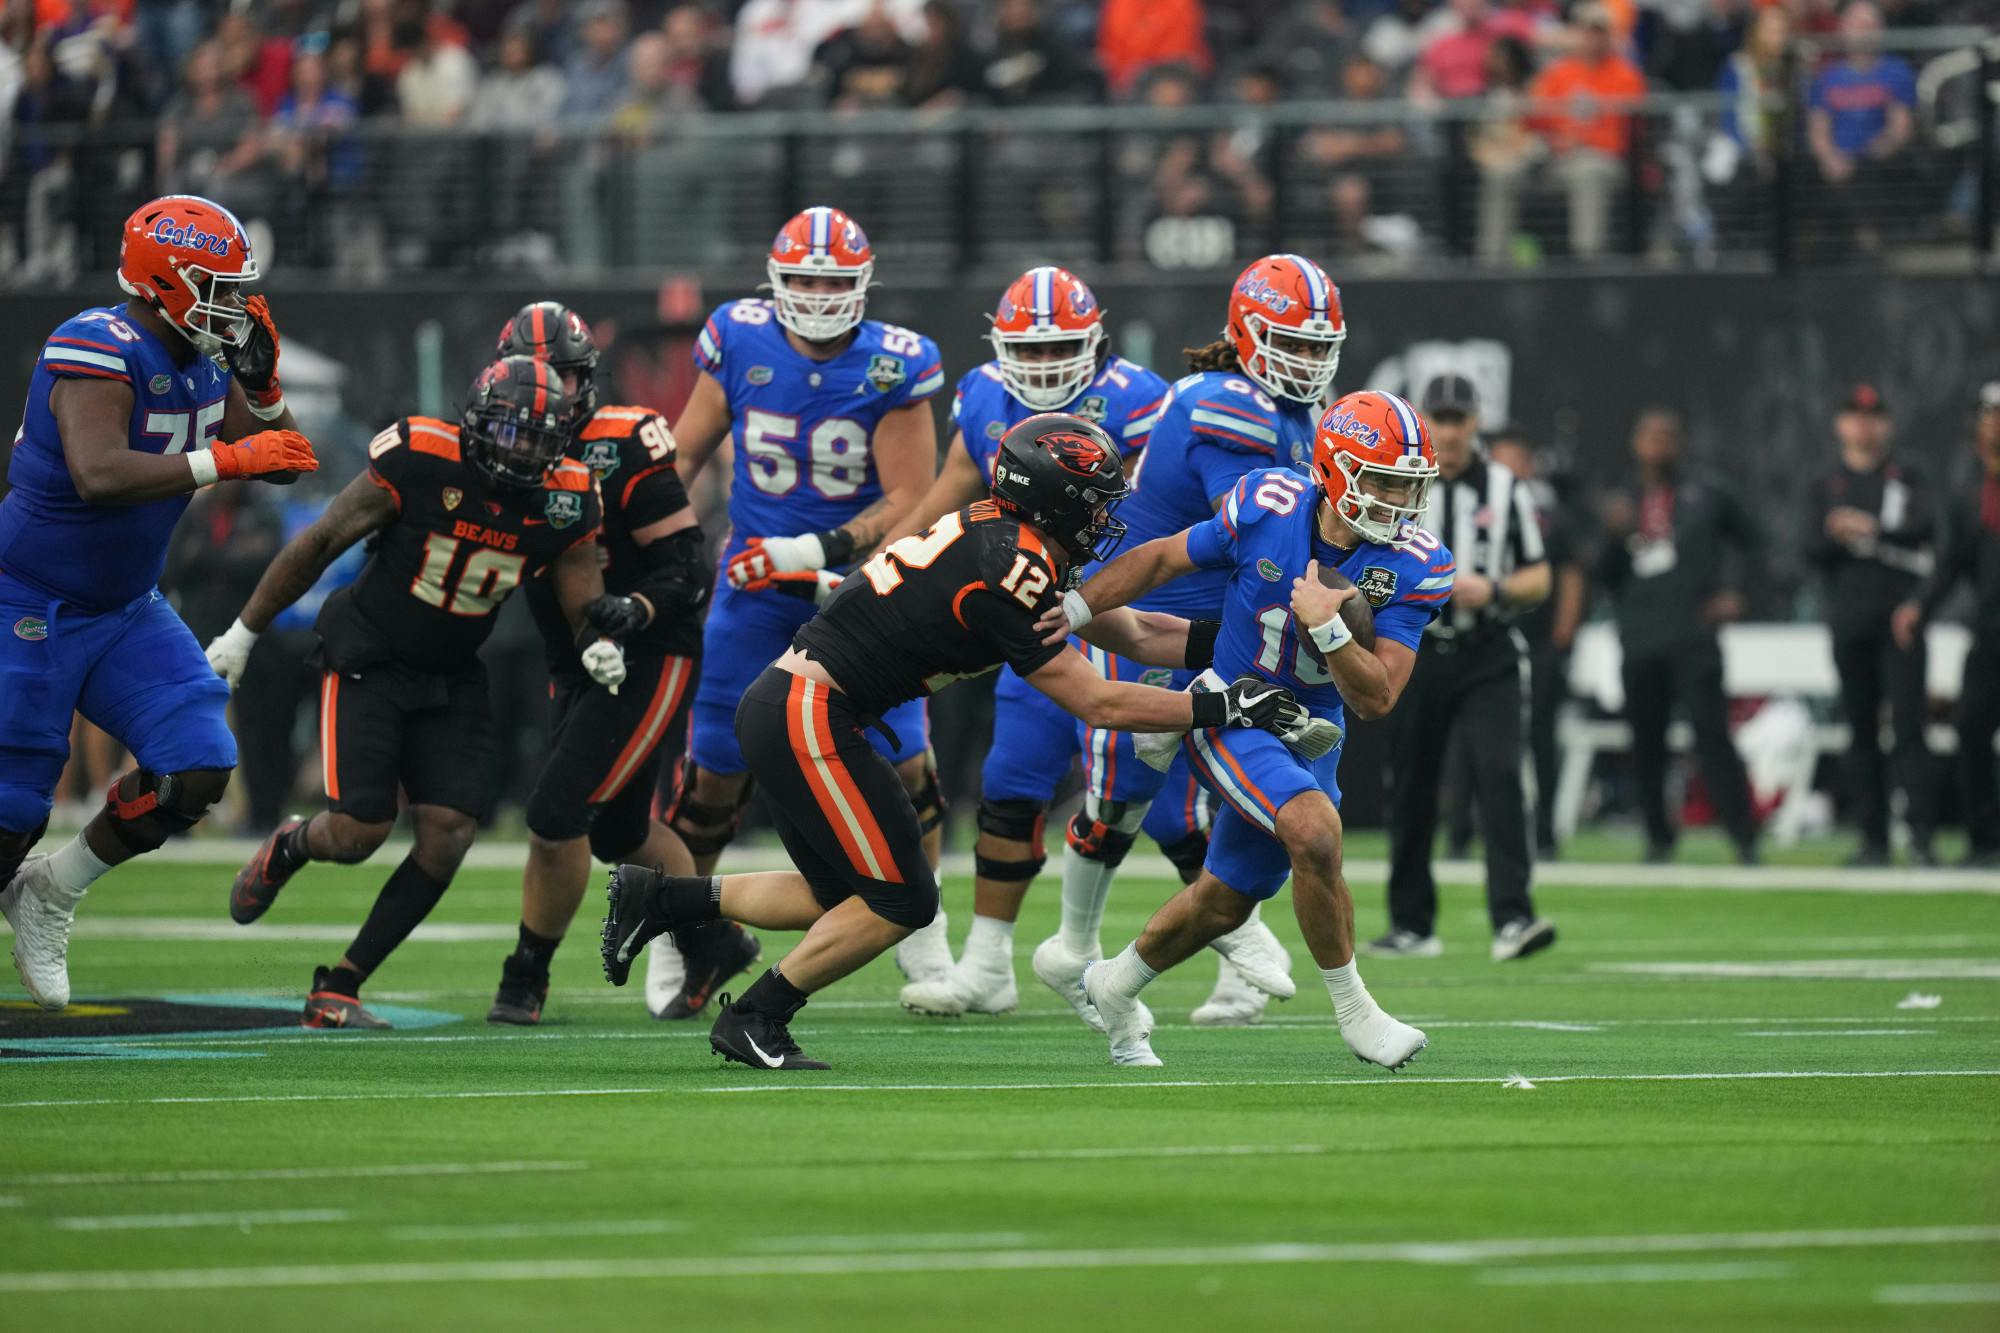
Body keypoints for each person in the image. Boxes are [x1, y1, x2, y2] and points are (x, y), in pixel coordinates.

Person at [599, 415, 1315, 1069]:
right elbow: (1096, 700)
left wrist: (1245, 646)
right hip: (811, 713)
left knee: (840, 894)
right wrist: (1219, 705)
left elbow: (1129, 629)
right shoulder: (1014, 564)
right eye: (1095, 498)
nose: (1106, 514)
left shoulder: (1011, 540)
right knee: (902, 901)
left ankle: (662, 899)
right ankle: (757, 1016)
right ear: (1054, 497)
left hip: (800, 708)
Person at [206, 357, 627, 1028]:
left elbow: (583, 598)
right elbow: (321, 540)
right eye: (511, 431)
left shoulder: (569, 494)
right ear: (479, 422)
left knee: (449, 834)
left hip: (454, 668)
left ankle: (341, 981)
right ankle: (290, 845)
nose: (523, 449)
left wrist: (598, 643)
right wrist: (243, 632)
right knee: (358, 830)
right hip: (371, 650)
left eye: (539, 438)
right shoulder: (422, 455)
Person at [1037, 390, 1447, 1069]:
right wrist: (1079, 604)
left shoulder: (1417, 563)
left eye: (1410, 482)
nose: (1399, 496)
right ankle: (1356, 1012)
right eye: (1383, 479)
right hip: (1229, 705)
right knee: (1314, 832)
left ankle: (1114, 983)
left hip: (1313, 725)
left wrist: (1332, 627)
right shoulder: (1268, 504)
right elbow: (1165, 558)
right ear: (1335, 469)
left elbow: (1377, 696)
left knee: (1224, 900)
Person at [0, 194, 317, 1011]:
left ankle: (52, 892)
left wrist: (266, 387)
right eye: (219, 286)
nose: (235, 304)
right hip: (29, 597)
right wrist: (226, 456)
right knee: (10, 809)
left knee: (199, 764)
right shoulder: (95, 342)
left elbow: (280, 459)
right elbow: (99, 472)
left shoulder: (210, 361)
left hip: (125, 608)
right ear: (164, 283)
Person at [1029, 253, 1346, 1033]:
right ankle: (1077, 947)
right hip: (1149, 612)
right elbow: (1257, 535)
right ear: (1245, 334)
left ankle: (1210, 943)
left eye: (1316, 344)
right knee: (1122, 793)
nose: (1306, 360)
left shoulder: (1290, 407)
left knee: (1216, 793)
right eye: (1290, 342)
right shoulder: (1225, 403)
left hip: (1217, 624)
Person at [665, 206, 952, 992]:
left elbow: (909, 497)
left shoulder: (894, 363)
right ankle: (682, 925)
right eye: (806, 280)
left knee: (908, 763)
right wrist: (659, 545)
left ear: (863, 285)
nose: (821, 296)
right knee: (714, 769)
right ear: (775, 282)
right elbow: (684, 454)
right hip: (755, 588)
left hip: (863, 591)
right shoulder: (738, 336)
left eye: (836, 281)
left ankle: (922, 930)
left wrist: (822, 549)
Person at [882, 265, 1176, 1020]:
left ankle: (1241, 953)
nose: (1043, 365)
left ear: (1094, 341)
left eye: (1060, 350)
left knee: (1160, 803)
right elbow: (951, 482)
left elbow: (1174, 510)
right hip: (1034, 608)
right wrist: (881, 561)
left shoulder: (1145, 398)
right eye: (1029, 350)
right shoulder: (982, 390)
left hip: (1118, 607)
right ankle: (986, 964)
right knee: (1011, 782)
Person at [487, 302, 756, 1026]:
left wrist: (634, 609)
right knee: (618, 831)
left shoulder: (622, 442)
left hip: (650, 650)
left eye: (565, 378)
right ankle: (717, 938)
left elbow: (686, 569)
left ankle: (527, 972)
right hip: (571, 656)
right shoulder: (489, 447)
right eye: (536, 378)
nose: (550, 396)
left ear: (586, 381)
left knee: (555, 813)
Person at [1371, 375, 1554, 961]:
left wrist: (1494, 587)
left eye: (1458, 419)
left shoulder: (1506, 487)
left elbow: (1540, 577)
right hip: (1416, 651)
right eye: (1440, 419)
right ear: (1425, 420)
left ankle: (1513, 919)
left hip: (1487, 654)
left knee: (1500, 778)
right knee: (1413, 787)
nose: (1449, 431)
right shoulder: (1397, 481)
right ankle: (1412, 924)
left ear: (1476, 421)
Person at [1595, 409, 1762, 863]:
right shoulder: (1621, 501)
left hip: (1693, 635)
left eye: (1667, 437)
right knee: (1646, 741)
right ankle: (1657, 838)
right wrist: (1611, 538)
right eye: (1650, 436)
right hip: (1641, 636)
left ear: (1681, 443)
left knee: (1712, 736)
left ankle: (1744, 837)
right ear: (1635, 444)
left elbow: (1757, 540)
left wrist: (1740, 596)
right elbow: (1601, 576)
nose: (1658, 445)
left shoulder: (1707, 492)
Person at [1804, 384, 1938, 866]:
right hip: (1850, 618)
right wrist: (1836, 533)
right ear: (1842, 424)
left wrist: (1873, 529)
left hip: (1901, 618)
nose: (1865, 425)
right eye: (1856, 416)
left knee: (1908, 728)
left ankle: (1922, 836)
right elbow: (1808, 550)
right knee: (1860, 731)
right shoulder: (1826, 482)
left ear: (1887, 424)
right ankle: (1873, 839)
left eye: (1874, 416)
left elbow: (1931, 529)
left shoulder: (1910, 474)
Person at [1894, 382, 2000, 869]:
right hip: (1992, 633)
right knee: (1972, 729)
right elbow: (1949, 565)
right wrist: (1918, 605)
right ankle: (1984, 843)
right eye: (1990, 416)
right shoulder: (1969, 496)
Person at [1488, 423, 1587, 858]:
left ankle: (1545, 829)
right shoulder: (1474, 511)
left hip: (1540, 640)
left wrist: (1564, 630)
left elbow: (1570, 573)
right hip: (1489, 640)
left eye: (1516, 462)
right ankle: (1465, 831)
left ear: (1529, 467)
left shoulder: (1550, 518)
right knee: (1478, 742)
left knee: (1544, 738)